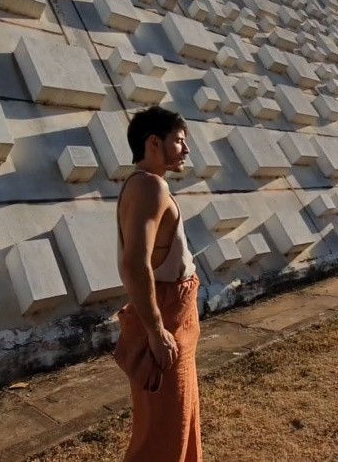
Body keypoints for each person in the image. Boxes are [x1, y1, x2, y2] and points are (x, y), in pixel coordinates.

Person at [113, 106, 202, 462]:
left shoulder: (145, 185)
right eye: (179, 141)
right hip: (165, 315)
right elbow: (135, 264)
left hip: (175, 311)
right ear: (154, 143)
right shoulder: (150, 187)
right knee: (164, 428)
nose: (186, 149)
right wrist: (156, 331)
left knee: (182, 416)